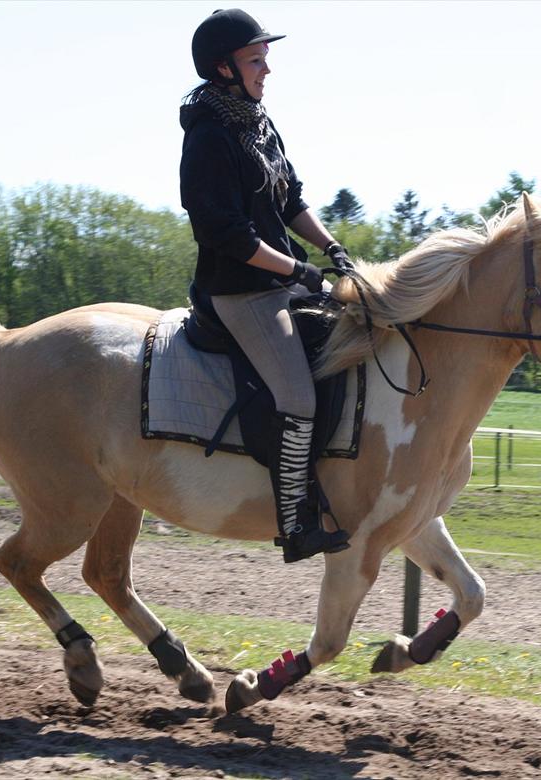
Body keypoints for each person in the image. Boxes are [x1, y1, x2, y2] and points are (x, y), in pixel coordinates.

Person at [180, 8, 354, 563]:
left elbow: (292, 200)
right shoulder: (207, 137)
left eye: (265, 59)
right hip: (242, 291)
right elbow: (225, 233)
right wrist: (295, 271)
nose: (267, 70)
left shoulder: (258, 123)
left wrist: (331, 249)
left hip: (283, 281)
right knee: (297, 397)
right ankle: (295, 521)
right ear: (223, 68)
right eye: (256, 60)